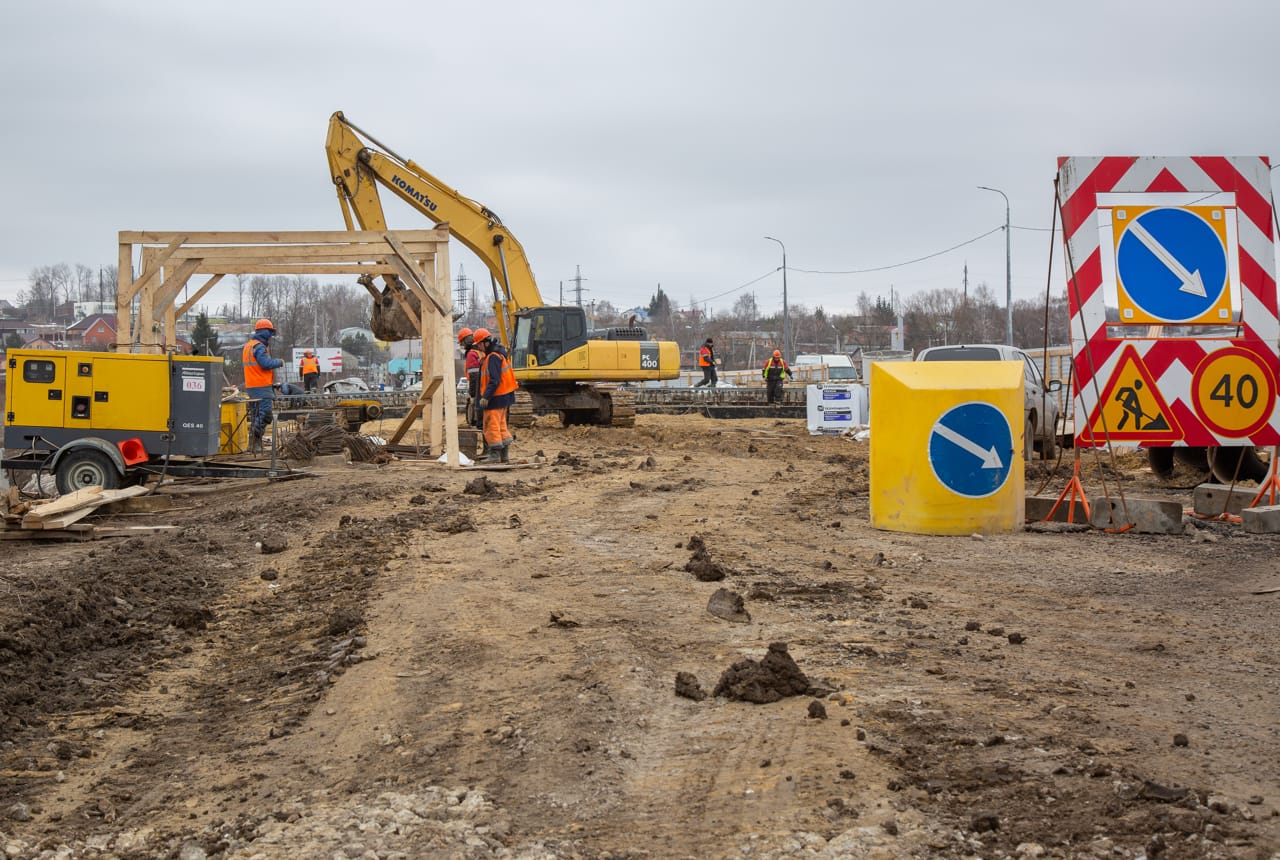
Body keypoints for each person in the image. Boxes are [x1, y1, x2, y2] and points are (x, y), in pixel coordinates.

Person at [474, 328, 518, 463]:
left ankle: (495, 455)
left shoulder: (492, 357)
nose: (479, 348)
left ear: (485, 343)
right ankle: (504, 455)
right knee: (501, 425)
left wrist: (486, 397)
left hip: (495, 397)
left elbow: (494, 380)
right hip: (504, 396)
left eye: (480, 345)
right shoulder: (497, 354)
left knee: (491, 426)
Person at [242, 318, 284, 448]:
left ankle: (255, 443)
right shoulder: (259, 347)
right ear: (263, 331)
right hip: (261, 386)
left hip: (252, 386)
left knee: (256, 414)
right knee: (265, 414)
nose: (271, 335)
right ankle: (255, 438)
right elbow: (265, 364)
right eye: (269, 331)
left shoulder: (249, 345)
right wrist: (279, 362)